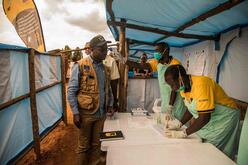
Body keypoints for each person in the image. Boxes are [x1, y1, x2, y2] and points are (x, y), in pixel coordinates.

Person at [164, 64, 240, 159]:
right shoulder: (183, 88)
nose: (173, 89)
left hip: (225, 118)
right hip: (211, 119)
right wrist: (178, 123)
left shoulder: (201, 84)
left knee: (213, 153)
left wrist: (184, 133)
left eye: (172, 84)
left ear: (181, 77)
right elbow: (191, 108)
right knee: (201, 146)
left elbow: (204, 118)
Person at [67, 35, 114, 165]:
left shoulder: (105, 69)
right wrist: (76, 113)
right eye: (101, 49)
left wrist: (110, 104)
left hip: (101, 114)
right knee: (83, 147)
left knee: (96, 145)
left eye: (106, 49)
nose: (105, 52)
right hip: (86, 114)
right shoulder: (81, 65)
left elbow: (108, 89)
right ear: (92, 49)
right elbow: (71, 91)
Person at [154, 42, 186, 121]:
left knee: (177, 123)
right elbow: (142, 65)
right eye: (155, 51)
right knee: (165, 124)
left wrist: (170, 106)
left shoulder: (176, 64)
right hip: (166, 100)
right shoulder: (159, 64)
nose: (156, 53)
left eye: (158, 51)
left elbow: (175, 87)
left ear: (166, 50)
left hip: (176, 101)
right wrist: (124, 60)